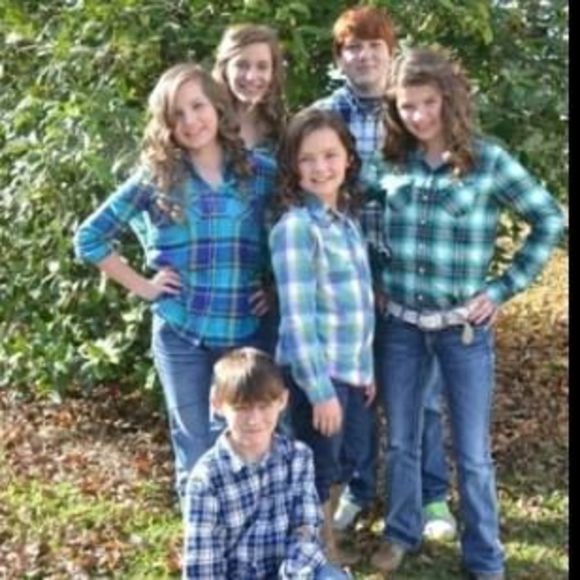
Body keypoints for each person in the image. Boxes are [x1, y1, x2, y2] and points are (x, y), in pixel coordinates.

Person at [365, 47, 565, 578]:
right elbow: (362, 220)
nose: (418, 115)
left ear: (448, 100)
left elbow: (549, 219)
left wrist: (501, 289)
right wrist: (376, 279)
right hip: (401, 327)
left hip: (464, 332)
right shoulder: (390, 162)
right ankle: (401, 532)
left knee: (473, 453)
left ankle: (484, 556)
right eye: (407, 105)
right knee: (401, 440)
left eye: (428, 102)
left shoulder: (487, 160)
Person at [73, 63, 276, 506]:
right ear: (165, 125)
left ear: (218, 108)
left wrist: (275, 288)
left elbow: (295, 231)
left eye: (197, 106)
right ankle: (201, 538)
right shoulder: (158, 178)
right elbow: (89, 238)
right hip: (181, 334)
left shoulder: (261, 172)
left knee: (245, 441)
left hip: (244, 334)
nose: (190, 121)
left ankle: (246, 533)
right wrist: (145, 287)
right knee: (196, 445)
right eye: (176, 114)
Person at [312, 5, 456, 540]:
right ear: (340, 57)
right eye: (354, 47)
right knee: (352, 388)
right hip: (343, 275)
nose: (365, 56)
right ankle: (358, 488)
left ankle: (433, 495)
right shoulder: (325, 115)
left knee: (420, 394)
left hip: (407, 275)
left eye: (375, 46)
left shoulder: (410, 111)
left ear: (391, 53)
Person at [269, 108, 375, 566]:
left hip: (349, 371)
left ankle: (322, 541)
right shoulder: (297, 228)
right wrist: (320, 392)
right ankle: (316, 557)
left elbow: (359, 307)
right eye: (307, 159)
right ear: (293, 167)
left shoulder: (345, 224)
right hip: (317, 376)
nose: (320, 167)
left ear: (348, 157)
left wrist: (366, 371)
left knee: (345, 460)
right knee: (317, 469)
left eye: (330, 155)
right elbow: (297, 318)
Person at [182, 347, 350, 579]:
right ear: (217, 403)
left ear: (283, 400)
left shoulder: (298, 457)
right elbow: (203, 569)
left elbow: (306, 531)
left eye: (264, 406)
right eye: (241, 408)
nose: (254, 420)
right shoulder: (206, 479)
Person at [213, 23, 286, 156]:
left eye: (262, 67)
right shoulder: (207, 126)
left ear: (273, 72)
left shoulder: (283, 130)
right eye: (242, 65)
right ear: (225, 69)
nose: (251, 77)